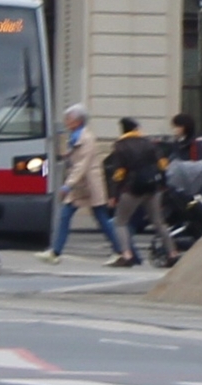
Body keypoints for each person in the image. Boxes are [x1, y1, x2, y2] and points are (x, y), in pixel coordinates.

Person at [40, 104, 129, 264]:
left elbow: (82, 165)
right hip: (82, 185)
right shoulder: (76, 136)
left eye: (69, 118)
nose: (66, 121)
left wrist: (68, 185)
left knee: (100, 217)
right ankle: (55, 251)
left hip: (89, 185)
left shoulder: (86, 138)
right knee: (67, 215)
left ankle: (120, 251)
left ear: (78, 121)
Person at [107, 116, 169, 267]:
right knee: (158, 222)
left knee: (120, 222)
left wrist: (114, 194)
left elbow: (119, 173)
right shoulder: (149, 143)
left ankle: (127, 255)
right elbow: (163, 165)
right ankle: (172, 253)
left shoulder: (120, 145)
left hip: (132, 188)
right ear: (136, 129)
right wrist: (162, 184)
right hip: (152, 187)